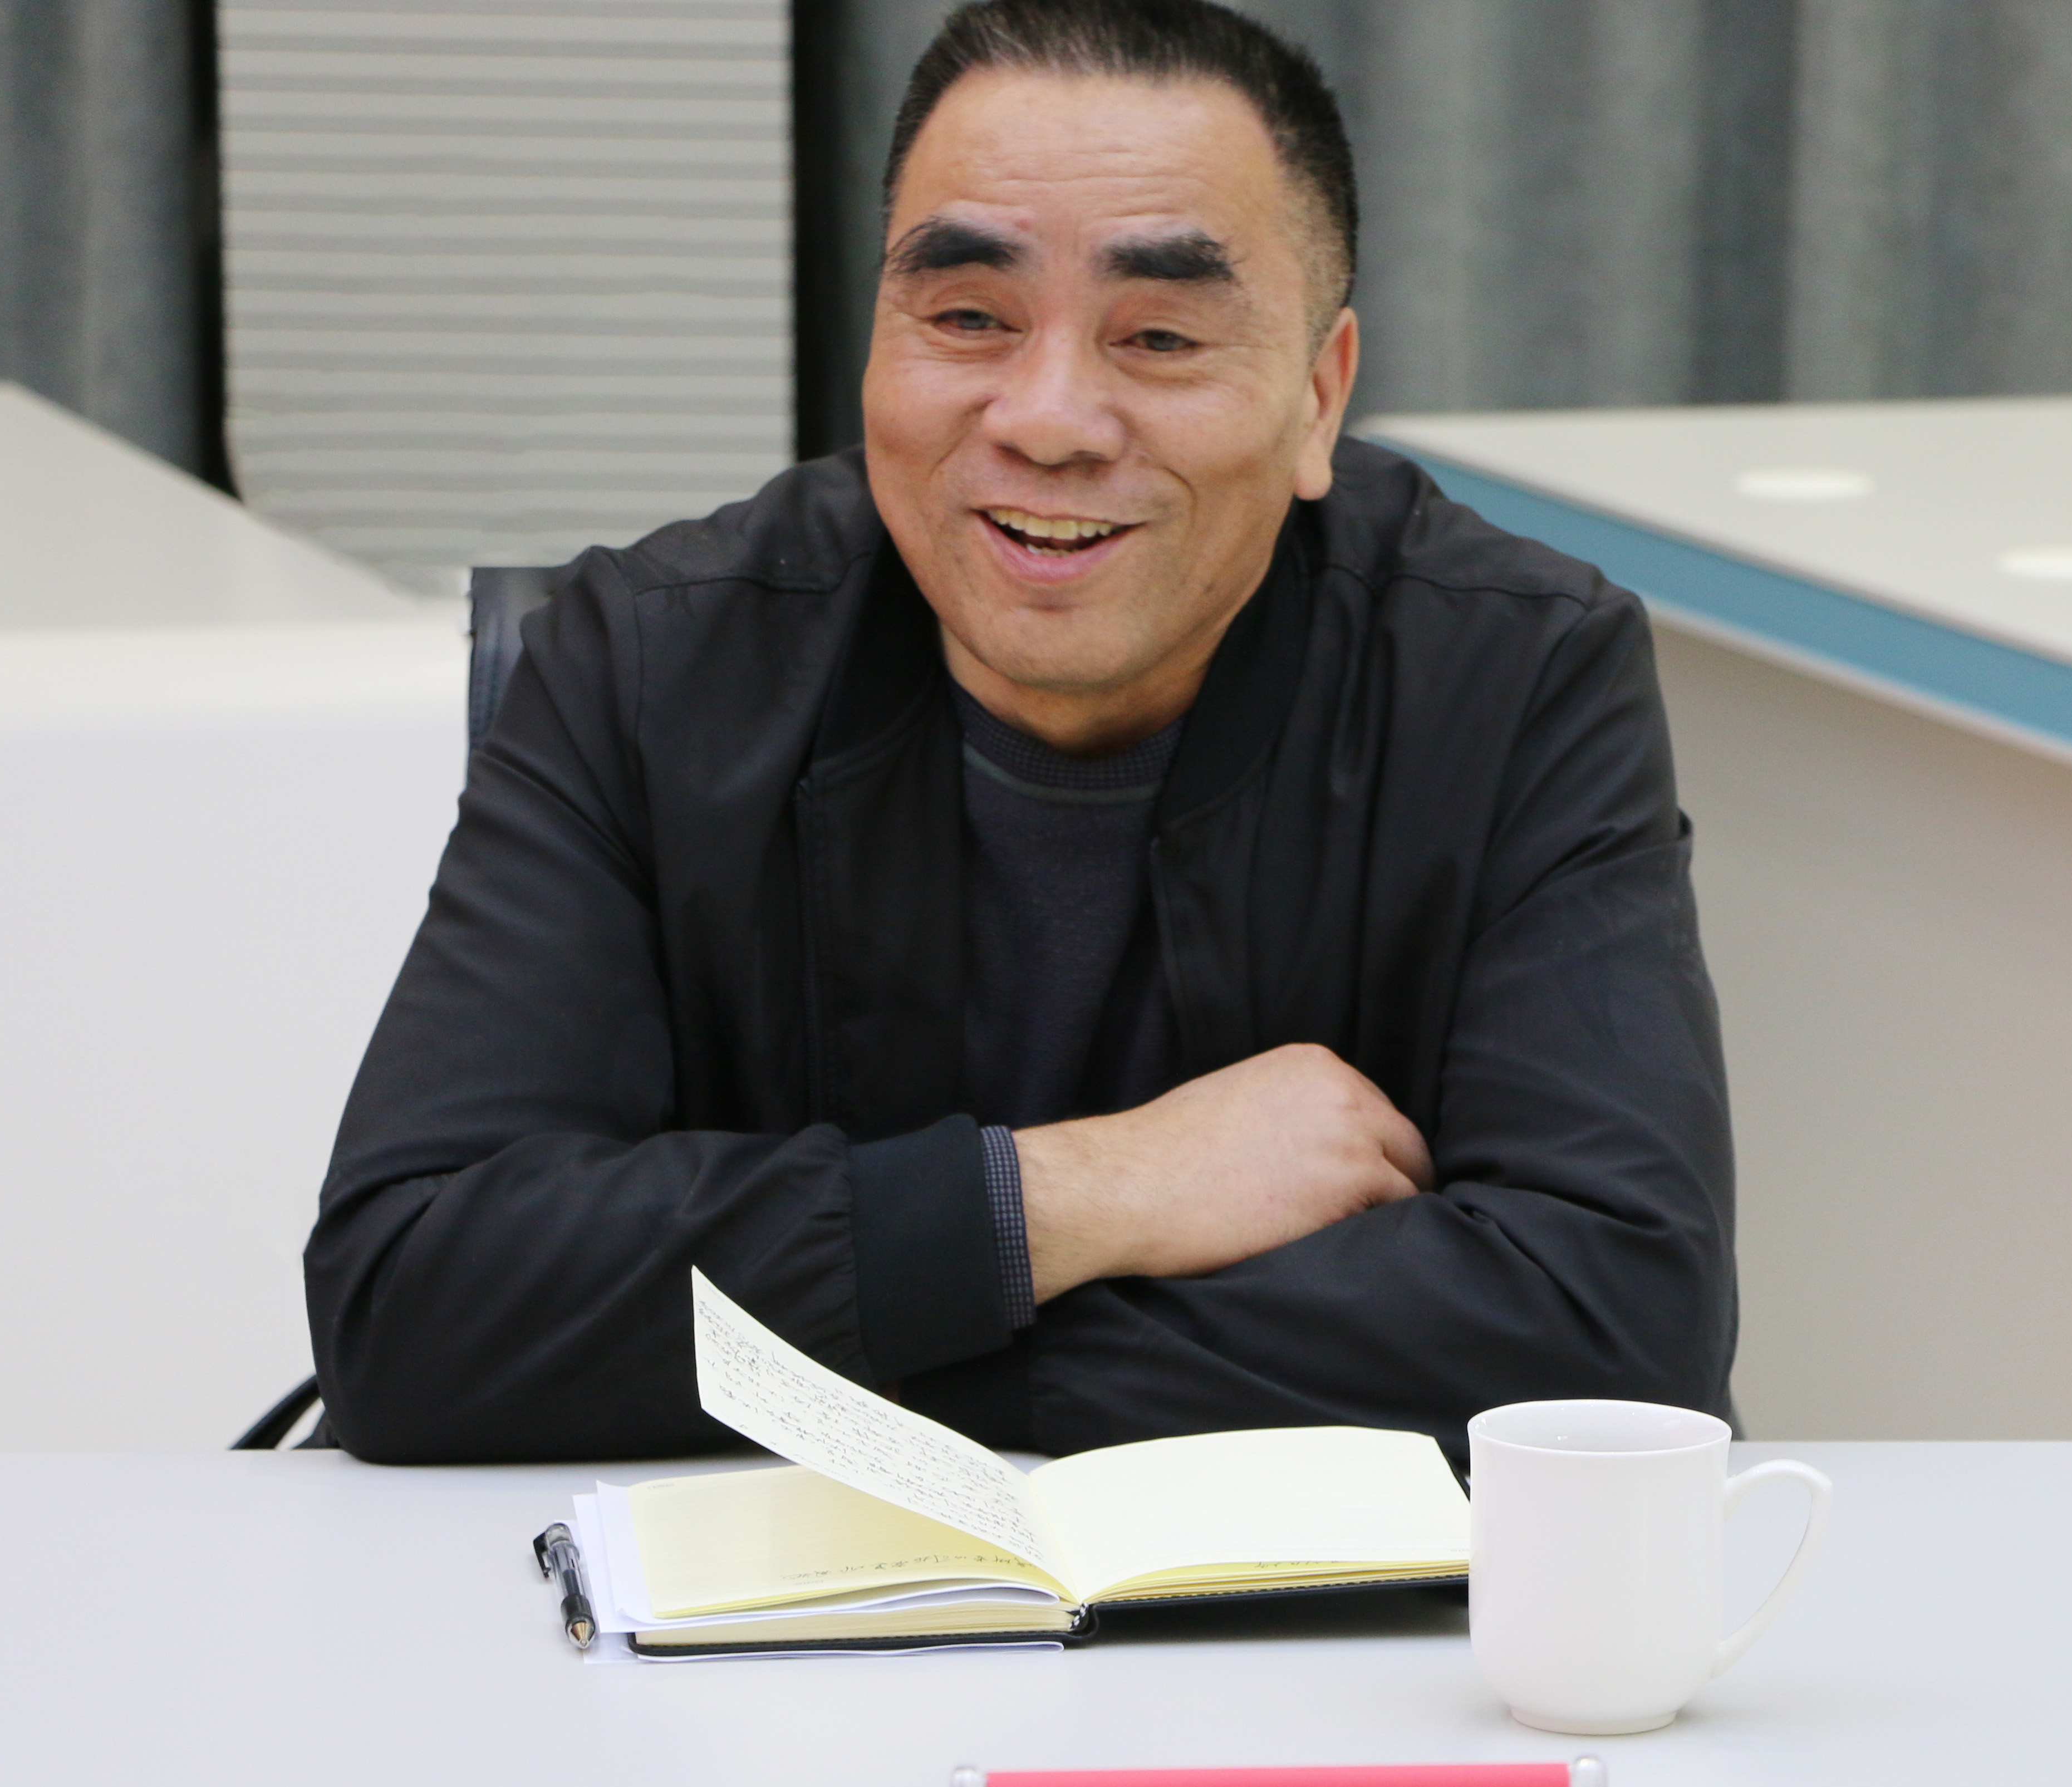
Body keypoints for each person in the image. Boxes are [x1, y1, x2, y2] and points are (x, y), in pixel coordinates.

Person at [305, 0, 1734, 1465]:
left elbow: (1621, 1329)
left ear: (1319, 397)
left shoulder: (1515, 676)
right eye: (970, 319)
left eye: (1160, 337)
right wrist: (1076, 1196)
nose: (1047, 420)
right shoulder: (649, 664)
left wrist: (836, 1350)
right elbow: (413, 1301)